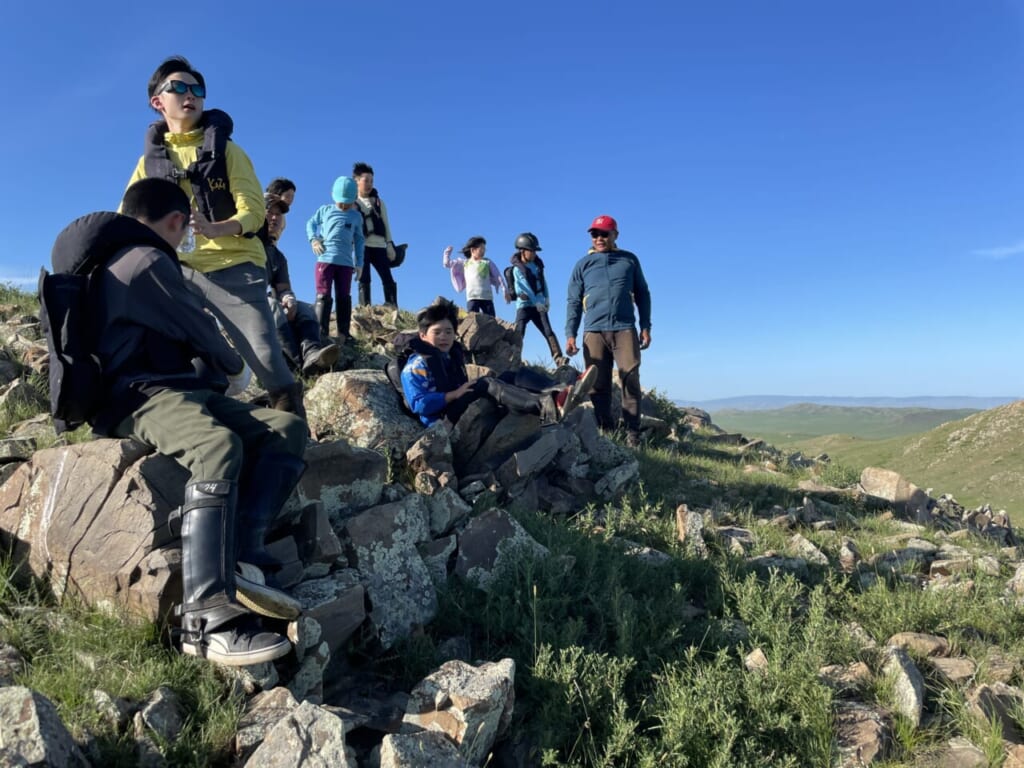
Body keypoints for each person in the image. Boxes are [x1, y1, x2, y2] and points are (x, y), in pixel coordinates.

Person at [69, 177, 307, 665]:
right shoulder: (148, 259)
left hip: (173, 387)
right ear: (178, 221)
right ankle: (206, 618)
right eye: (186, 230)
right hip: (137, 397)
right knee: (217, 448)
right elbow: (198, 328)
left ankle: (240, 554)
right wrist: (237, 369)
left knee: (286, 429)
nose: (186, 239)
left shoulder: (123, 258)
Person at [125, 56, 304, 417]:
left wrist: (215, 229)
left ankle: (294, 439)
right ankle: (200, 405)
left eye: (196, 89)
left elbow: (254, 211)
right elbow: (127, 216)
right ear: (157, 102)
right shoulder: (149, 163)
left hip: (234, 263)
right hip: (178, 270)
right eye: (177, 87)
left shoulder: (228, 151)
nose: (189, 94)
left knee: (268, 360)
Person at [400, 299, 596, 428]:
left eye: (449, 331)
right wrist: (453, 395)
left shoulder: (448, 356)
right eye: (437, 332)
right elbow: (419, 404)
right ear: (423, 335)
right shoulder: (417, 365)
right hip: (442, 422)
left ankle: (562, 390)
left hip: (456, 407)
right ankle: (546, 407)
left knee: (511, 376)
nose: (444, 337)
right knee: (486, 384)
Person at [565, 215, 652, 447]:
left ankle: (633, 434)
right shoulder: (582, 264)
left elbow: (643, 293)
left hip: (624, 328)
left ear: (615, 235)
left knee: (630, 378)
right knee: (597, 383)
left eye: (605, 233)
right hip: (593, 330)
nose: (599, 238)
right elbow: (573, 301)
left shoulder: (629, 260)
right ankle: (607, 430)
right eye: (595, 234)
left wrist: (645, 326)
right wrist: (570, 333)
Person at [260, 193, 340, 375]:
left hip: (264, 303)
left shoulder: (278, 257)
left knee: (305, 309)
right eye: (269, 212)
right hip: (244, 304)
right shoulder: (246, 244)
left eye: (278, 214)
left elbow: (283, 289)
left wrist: (289, 299)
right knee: (272, 306)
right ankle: (296, 367)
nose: (274, 218)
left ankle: (312, 354)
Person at [307, 176, 364, 342]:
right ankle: (321, 334)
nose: (344, 206)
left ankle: (343, 333)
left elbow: (360, 240)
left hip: (346, 263)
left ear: (354, 199)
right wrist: (314, 239)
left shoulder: (356, 217)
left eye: (347, 203)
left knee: (344, 296)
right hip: (325, 260)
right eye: (341, 203)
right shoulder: (325, 210)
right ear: (333, 196)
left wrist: (359, 263)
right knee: (323, 295)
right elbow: (310, 223)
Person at [509, 232, 568, 366]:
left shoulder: (537, 266)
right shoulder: (517, 269)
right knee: (519, 332)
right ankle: (514, 359)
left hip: (539, 304)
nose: (534, 253)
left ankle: (559, 358)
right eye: (532, 250)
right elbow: (525, 287)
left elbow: (543, 282)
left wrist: (547, 299)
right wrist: (536, 302)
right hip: (524, 305)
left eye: (535, 251)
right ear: (523, 251)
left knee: (548, 330)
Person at [353, 162, 399, 307]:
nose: (369, 184)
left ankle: (392, 306)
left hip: (379, 245)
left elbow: (386, 224)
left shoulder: (379, 203)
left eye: (371, 181)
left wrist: (390, 244)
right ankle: (365, 308)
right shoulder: (351, 202)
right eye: (366, 180)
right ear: (356, 181)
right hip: (362, 246)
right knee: (364, 278)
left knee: (387, 277)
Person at [442, 236, 506, 316]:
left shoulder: (487, 262)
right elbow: (447, 264)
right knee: (472, 319)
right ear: (473, 250)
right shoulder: (465, 263)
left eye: (484, 249)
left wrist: (504, 289)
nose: (484, 251)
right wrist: (447, 253)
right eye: (481, 248)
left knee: (491, 320)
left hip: (486, 297)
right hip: (472, 297)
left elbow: (498, 276)